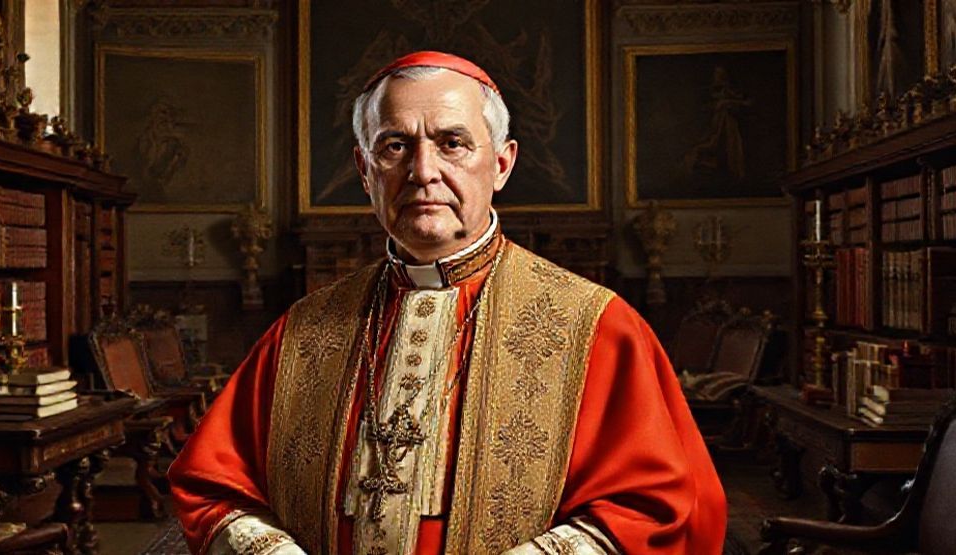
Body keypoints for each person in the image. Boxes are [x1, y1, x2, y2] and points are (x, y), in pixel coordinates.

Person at [168, 51, 727, 555]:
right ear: (365, 171)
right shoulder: (304, 330)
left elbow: (658, 509)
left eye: (452, 142)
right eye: (394, 146)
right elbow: (212, 487)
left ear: (502, 164)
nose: (423, 171)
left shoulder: (597, 325)